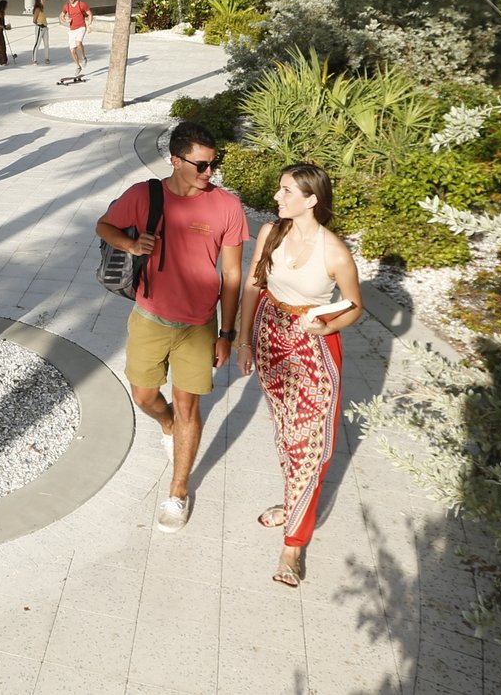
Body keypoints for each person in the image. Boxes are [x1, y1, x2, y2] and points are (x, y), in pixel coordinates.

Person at [95, 120, 246, 534]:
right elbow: (104, 225)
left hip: (199, 324)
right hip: (149, 316)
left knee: (188, 407)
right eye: (200, 165)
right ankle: (166, 426)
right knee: (144, 396)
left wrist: (227, 333)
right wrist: (128, 244)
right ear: (176, 160)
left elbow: (232, 275)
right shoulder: (145, 195)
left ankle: (178, 492)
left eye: (213, 165)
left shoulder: (227, 206)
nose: (208, 173)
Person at [233, 162, 364, 587]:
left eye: (286, 191)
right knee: (287, 433)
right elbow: (255, 284)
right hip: (271, 338)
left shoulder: (335, 251)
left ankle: (293, 544)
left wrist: (327, 325)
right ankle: (294, 502)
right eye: (279, 189)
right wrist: (244, 340)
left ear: (311, 200)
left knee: (310, 444)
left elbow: (355, 305)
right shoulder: (272, 233)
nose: (277, 197)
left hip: (313, 348)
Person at [61, 0, 94, 78]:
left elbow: (90, 14)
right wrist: (66, 20)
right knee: (72, 50)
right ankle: (78, 66)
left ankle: (83, 57)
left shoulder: (81, 4)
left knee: (78, 43)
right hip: (72, 29)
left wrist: (90, 25)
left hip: (81, 27)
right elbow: (62, 16)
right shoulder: (66, 6)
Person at [30, 0, 50, 65]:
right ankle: (34, 59)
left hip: (45, 27)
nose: (44, 0)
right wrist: (39, 24)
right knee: (37, 43)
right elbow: (34, 20)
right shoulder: (37, 9)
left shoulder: (42, 8)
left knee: (46, 44)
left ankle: (47, 58)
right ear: (39, 1)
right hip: (40, 28)